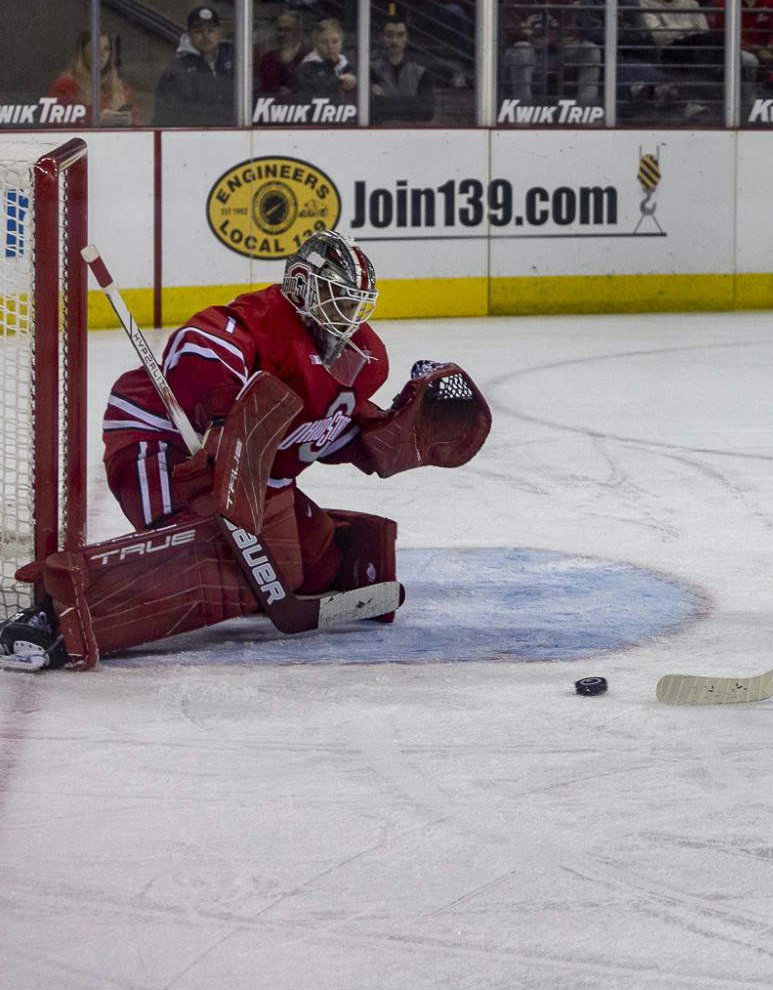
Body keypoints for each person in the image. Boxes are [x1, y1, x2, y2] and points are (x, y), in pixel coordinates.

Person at [0, 230, 490, 671]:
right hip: (161, 446)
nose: (349, 315)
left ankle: (233, 569)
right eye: (337, 299)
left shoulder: (363, 357)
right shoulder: (257, 322)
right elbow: (198, 347)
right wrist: (219, 413)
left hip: (255, 472)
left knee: (311, 566)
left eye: (356, 302)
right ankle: (55, 614)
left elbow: (325, 433)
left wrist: (391, 437)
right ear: (300, 285)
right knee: (212, 566)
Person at [504, 0, 601, 101]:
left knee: (590, 49)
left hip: (555, 52)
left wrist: (538, 36)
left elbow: (570, 30)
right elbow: (513, 29)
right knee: (522, 49)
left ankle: (587, 106)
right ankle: (522, 108)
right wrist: (555, 36)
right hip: (526, 55)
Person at [154, 5, 233, 126]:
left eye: (210, 30)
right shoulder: (176, 71)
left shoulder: (236, 63)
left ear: (219, 33)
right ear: (189, 35)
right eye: (198, 31)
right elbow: (165, 117)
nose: (205, 36)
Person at [48, 31, 140, 125]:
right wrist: (95, 119)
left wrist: (131, 121)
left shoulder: (120, 87)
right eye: (95, 48)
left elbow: (139, 123)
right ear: (82, 51)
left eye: (106, 49)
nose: (102, 54)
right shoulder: (66, 85)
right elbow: (56, 124)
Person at [370, 17, 438, 122]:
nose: (394, 40)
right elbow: (370, 111)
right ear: (381, 37)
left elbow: (427, 112)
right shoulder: (370, 69)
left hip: (410, 133)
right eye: (389, 35)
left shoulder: (421, 71)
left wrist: (385, 98)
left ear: (407, 38)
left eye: (400, 35)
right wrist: (411, 102)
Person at [293, 19, 359, 103]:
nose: (330, 46)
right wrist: (339, 80)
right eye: (324, 42)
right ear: (315, 43)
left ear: (342, 42)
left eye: (335, 41)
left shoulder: (349, 66)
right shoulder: (306, 68)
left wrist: (355, 85)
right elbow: (312, 94)